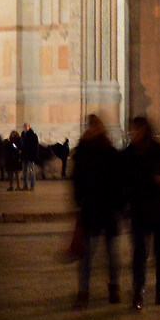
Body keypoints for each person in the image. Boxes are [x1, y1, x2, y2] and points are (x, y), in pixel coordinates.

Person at [121, 116, 160, 309]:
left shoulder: (158, 151)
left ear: (145, 130)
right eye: (132, 130)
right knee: (139, 254)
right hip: (138, 210)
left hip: (158, 210)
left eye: (136, 129)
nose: (133, 133)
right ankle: (138, 292)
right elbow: (119, 180)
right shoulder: (128, 154)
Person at [70, 115, 123, 307]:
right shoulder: (90, 151)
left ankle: (109, 288)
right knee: (91, 254)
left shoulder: (103, 151)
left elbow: (119, 181)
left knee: (108, 253)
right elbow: (76, 181)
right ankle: (86, 291)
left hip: (103, 208)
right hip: (97, 209)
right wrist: (79, 201)